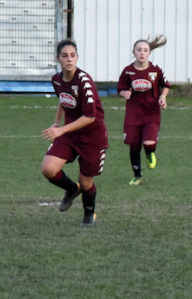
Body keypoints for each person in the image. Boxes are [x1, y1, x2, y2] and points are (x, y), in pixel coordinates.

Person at [41, 39, 108, 227]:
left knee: (86, 182)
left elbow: (90, 117)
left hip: (92, 137)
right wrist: (56, 122)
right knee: (48, 168)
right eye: (64, 56)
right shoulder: (56, 79)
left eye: (72, 55)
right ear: (58, 59)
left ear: (77, 58)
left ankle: (89, 214)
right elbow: (63, 100)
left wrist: (61, 129)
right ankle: (72, 190)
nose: (69, 59)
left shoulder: (84, 82)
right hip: (70, 133)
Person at [117, 35, 171, 186]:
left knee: (148, 143)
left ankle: (149, 152)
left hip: (151, 112)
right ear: (134, 52)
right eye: (139, 50)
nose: (142, 53)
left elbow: (165, 85)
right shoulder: (128, 71)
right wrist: (124, 93)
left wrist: (163, 97)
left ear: (149, 53)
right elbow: (120, 88)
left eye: (145, 50)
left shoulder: (155, 70)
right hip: (133, 113)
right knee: (134, 144)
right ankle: (137, 175)